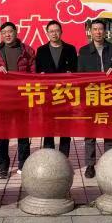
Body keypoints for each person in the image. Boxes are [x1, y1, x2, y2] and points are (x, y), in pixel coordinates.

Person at [0, 22, 36, 178]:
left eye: (10, 31)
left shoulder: (27, 50)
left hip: (22, 98)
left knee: (23, 134)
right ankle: (3, 167)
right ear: (1, 35)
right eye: (4, 32)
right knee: (2, 135)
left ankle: (23, 164)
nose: (7, 34)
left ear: (16, 32)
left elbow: (33, 73)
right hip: (2, 99)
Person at [77, 19, 112, 179]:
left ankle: (109, 162)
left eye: (100, 29)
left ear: (105, 31)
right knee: (90, 132)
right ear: (90, 32)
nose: (98, 32)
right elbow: (79, 75)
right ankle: (90, 165)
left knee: (109, 130)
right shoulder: (83, 51)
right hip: (91, 95)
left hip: (109, 95)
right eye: (95, 29)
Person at [34, 20, 78, 157]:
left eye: (57, 30)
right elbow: (36, 72)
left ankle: (64, 157)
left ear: (61, 32)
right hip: (48, 96)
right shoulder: (41, 50)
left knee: (65, 128)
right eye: (51, 31)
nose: (54, 33)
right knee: (48, 128)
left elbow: (77, 71)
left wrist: (71, 74)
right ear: (47, 33)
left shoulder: (70, 49)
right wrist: (40, 75)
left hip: (65, 94)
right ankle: (50, 157)